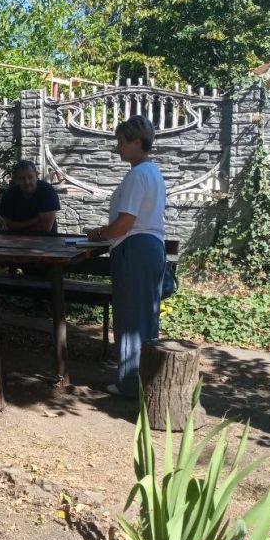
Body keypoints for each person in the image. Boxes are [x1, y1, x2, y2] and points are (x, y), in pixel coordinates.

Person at [85, 116, 166, 397]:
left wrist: (98, 234)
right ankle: (146, 380)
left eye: (121, 141)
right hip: (150, 248)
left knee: (131, 321)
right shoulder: (153, 172)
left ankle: (130, 385)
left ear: (137, 142)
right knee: (145, 319)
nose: (117, 147)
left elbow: (123, 225)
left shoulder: (137, 175)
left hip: (135, 250)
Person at [0, 160, 60, 233]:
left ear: (36, 176)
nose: (27, 182)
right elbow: (9, 225)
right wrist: (36, 220)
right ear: (15, 180)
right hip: (15, 239)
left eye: (30, 177)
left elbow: (45, 228)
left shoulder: (47, 191)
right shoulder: (9, 195)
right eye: (22, 178)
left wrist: (18, 227)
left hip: (46, 238)